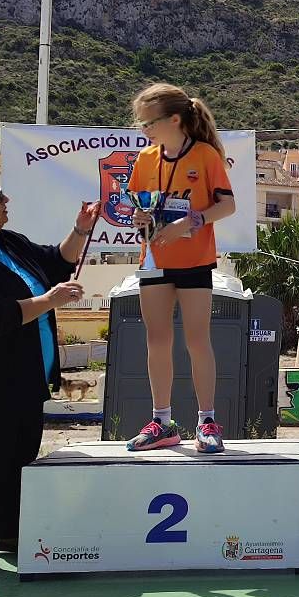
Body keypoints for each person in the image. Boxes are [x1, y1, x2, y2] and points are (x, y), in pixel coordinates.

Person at [125, 83, 236, 454]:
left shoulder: (204, 156)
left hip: (195, 261)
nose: (144, 130)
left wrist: (192, 222)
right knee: (157, 341)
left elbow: (227, 206)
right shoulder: (145, 160)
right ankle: (162, 421)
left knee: (197, 340)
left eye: (148, 122)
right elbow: (140, 208)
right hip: (154, 260)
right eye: (141, 124)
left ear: (174, 119)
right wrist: (140, 217)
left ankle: (206, 421)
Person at [0, 181, 99, 551]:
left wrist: (81, 229)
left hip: (27, 381)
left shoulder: (9, 242)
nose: (7, 200)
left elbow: (56, 261)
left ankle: (8, 534)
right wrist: (49, 300)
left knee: (20, 462)